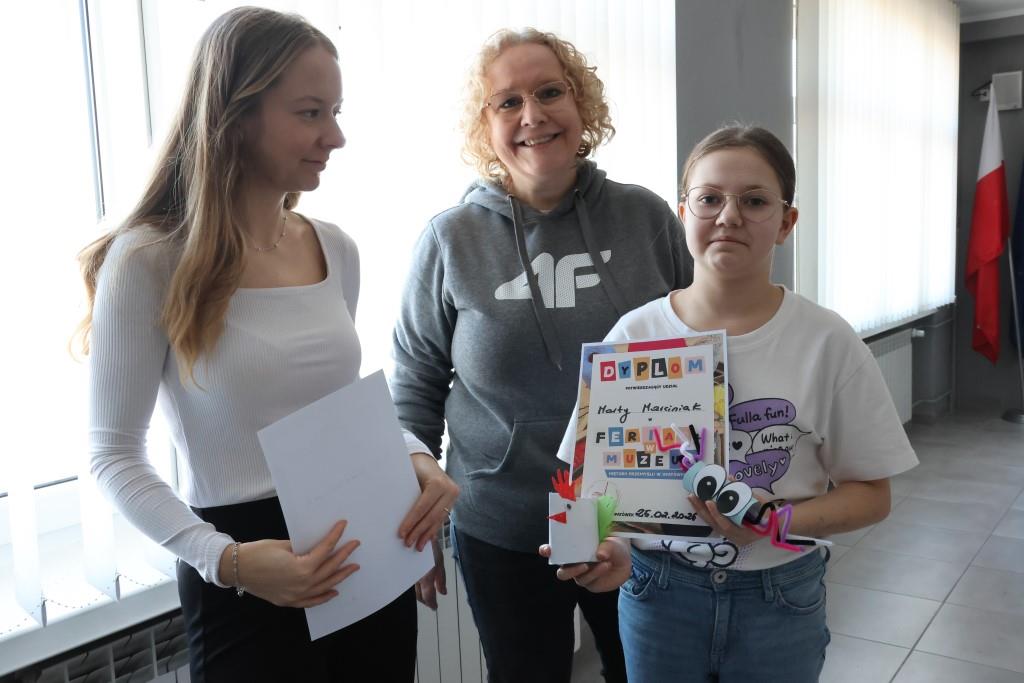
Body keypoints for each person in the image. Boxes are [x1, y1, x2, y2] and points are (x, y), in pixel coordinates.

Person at [79, 8, 457, 681]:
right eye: (311, 113)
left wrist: (415, 457)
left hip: (367, 550)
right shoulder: (148, 261)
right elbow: (112, 455)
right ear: (234, 116)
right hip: (245, 573)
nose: (335, 136)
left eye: (335, 112)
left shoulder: (335, 249)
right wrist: (227, 560)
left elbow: (335, 408)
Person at [543, 125, 919, 682]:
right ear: (683, 213)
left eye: (755, 201)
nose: (729, 216)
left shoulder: (827, 340)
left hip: (779, 596)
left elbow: (872, 496)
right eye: (709, 198)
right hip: (659, 595)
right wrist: (604, 545)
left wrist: (773, 521)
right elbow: (589, 482)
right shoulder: (635, 334)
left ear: (786, 222)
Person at [390, 27, 690, 683]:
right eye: (508, 101)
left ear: (581, 104)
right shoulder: (449, 239)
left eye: (550, 92)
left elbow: (695, 346)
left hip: (633, 513)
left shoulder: (645, 218)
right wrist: (415, 519)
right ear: (486, 125)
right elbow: (414, 386)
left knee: (647, 672)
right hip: (501, 518)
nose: (533, 115)